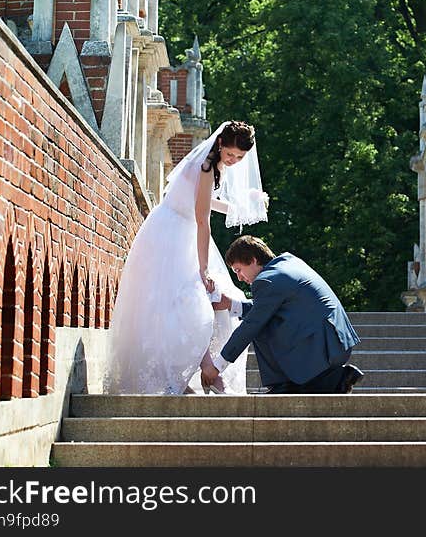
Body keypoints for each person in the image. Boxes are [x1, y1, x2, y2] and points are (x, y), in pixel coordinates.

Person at [105, 120, 269, 395]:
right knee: (189, 300)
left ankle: (194, 373)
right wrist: (203, 268)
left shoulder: (213, 167)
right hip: (172, 234)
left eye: (239, 158)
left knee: (199, 301)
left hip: (182, 229)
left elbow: (202, 201)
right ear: (220, 144)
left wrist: (240, 206)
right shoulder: (206, 167)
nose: (233, 161)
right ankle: (194, 374)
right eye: (230, 154)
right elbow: (202, 219)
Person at [204, 235, 364, 394]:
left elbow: (251, 325)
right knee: (263, 319)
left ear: (252, 260)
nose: (239, 277)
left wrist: (217, 366)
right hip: (335, 343)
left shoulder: (266, 280)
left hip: (321, 348)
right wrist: (232, 304)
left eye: (238, 270)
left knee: (259, 325)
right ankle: (335, 379)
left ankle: (282, 385)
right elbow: (269, 306)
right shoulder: (288, 263)